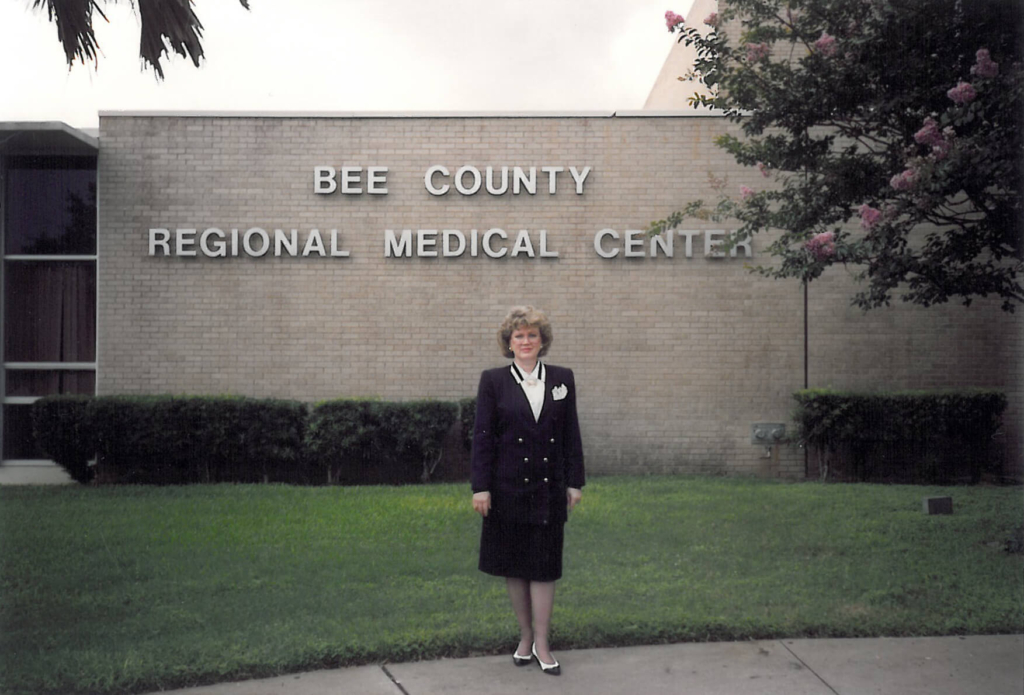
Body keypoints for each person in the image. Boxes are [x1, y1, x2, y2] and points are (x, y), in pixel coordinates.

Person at [470, 305, 585, 676]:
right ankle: (524, 638)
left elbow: (571, 435)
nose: (525, 341)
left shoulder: (562, 378)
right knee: (514, 566)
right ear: (509, 342)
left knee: (544, 567)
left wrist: (574, 481)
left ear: (542, 341)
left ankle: (543, 642)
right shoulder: (493, 381)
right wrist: (481, 488)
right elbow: (483, 438)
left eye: (531, 335)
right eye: (518, 336)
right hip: (505, 490)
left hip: (548, 489)